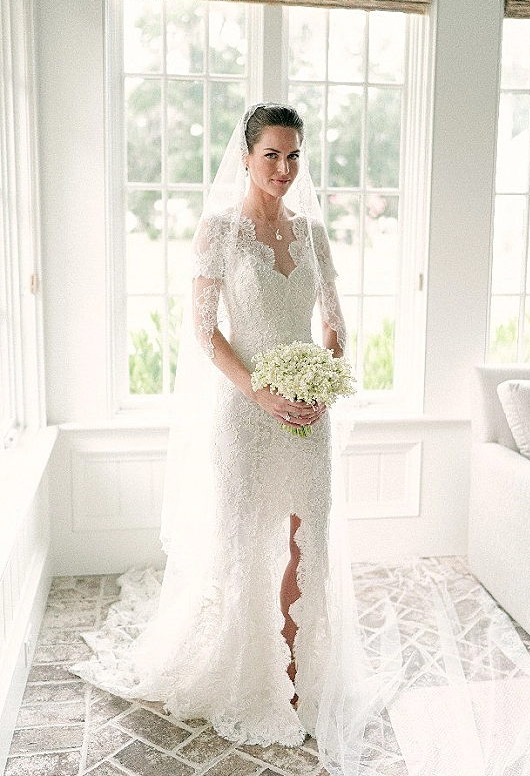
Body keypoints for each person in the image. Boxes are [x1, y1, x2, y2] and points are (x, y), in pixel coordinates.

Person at [72, 103, 393, 760]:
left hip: (306, 412)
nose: (284, 167)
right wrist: (262, 392)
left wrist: (322, 381)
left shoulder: (312, 233)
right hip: (246, 411)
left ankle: (296, 674)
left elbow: (334, 322)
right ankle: (249, 674)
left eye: (294, 154)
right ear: (246, 157)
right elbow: (204, 330)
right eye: (271, 154)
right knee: (246, 542)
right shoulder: (219, 229)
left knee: (307, 541)